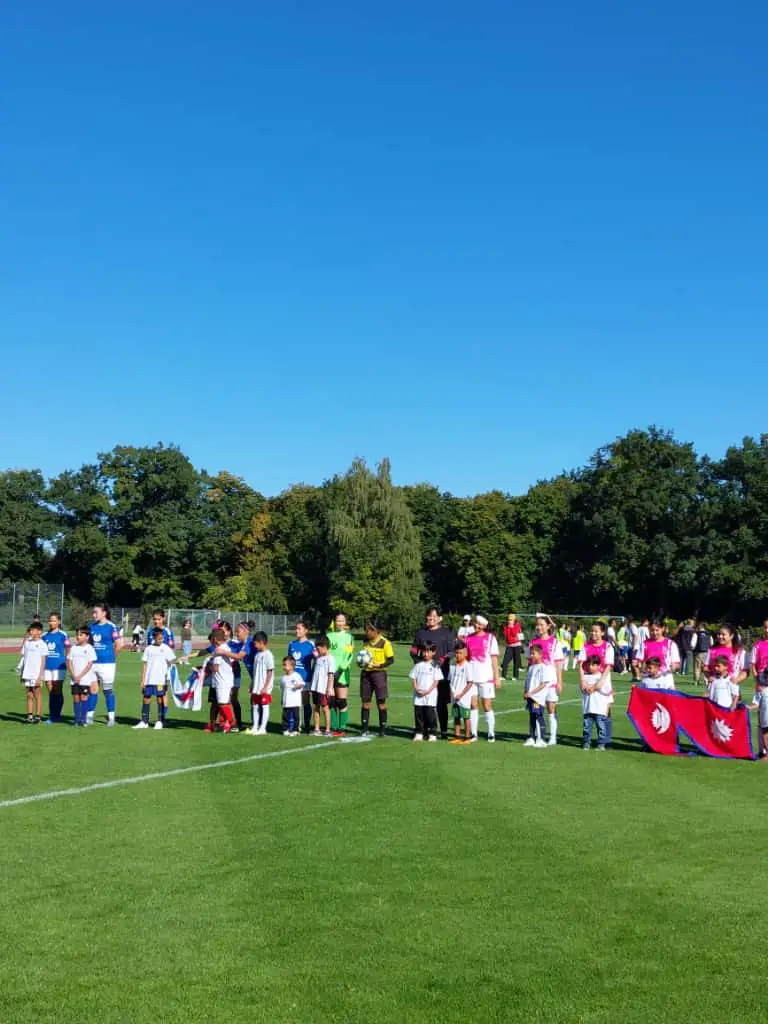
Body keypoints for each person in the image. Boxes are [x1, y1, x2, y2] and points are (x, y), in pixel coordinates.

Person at [410, 606, 457, 738]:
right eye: (429, 615)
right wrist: (417, 659)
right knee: (423, 703)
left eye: (434, 616)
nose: (431, 618)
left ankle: (443, 730)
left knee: (440, 703)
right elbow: (414, 649)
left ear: (440, 618)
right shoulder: (421, 632)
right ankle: (424, 730)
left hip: (441, 673)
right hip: (423, 674)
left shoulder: (446, 633)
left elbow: (452, 651)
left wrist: (442, 660)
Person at [576, 621, 615, 743]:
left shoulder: (608, 647)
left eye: (596, 631)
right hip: (588, 680)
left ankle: (605, 740)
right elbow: (581, 665)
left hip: (603, 681)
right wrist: (583, 681)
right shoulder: (585, 646)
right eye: (592, 631)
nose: (593, 633)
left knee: (605, 711)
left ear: (602, 633)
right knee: (588, 709)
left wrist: (599, 683)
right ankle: (587, 739)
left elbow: (608, 666)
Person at [528, 615, 564, 745]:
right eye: (537, 625)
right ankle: (536, 736)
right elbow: (530, 663)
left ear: (548, 626)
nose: (539, 627)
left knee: (551, 708)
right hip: (536, 683)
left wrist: (559, 682)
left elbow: (558, 664)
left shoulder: (555, 643)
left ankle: (552, 737)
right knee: (536, 708)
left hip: (551, 681)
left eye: (542, 624)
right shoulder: (533, 642)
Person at [465, 615, 500, 742]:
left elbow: (494, 659)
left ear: (484, 626)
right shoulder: (468, 638)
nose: (477, 626)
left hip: (486, 678)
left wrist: (497, 677)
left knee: (487, 705)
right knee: (473, 705)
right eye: (476, 623)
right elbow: (466, 657)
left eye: (480, 624)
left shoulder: (490, 638)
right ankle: (474, 734)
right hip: (471, 678)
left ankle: (491, 733)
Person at [134, 626, 176, 729]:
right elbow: (145, 664)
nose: (161, 640)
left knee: (159, 698)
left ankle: (160, 721)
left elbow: (172, 661)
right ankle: (144, 721)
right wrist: (143, 680)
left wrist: (168, 674)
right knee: (146, 698)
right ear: (154, 638)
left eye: (162, 638)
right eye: (159, 639)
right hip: (149, 679)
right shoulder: (148, 649)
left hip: (160, 679)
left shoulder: (166, 648)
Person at [359, 621, 394, 737]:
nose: (367, 632)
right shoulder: (366, 641)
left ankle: (382, 730)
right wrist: (361, 663)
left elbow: (391, 660)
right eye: (366, 630)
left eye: (369, 630)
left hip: (379, 675)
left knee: (381, 702)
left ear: (376, 631)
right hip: (366, 674)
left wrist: (380, 665)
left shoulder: (385, 643)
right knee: (365, 702)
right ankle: (364, 729)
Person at [88, 603, 120, 726]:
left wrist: (111, 658)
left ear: (104, 613)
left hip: (107, 664)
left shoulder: (111, 627)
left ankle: (111, 718)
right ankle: (89, 716)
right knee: (93, 690)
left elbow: (118, 644)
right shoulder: (91, 627)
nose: (93, 615)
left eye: (96, 612)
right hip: (93, 664)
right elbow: (89, 644)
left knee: (107, 690)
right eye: (93, 612)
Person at [202, 628, 235, 733]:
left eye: (212, 639)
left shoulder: (218, 650)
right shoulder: (226, 647)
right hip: (227, 679)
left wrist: (205, 668)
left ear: (215, 639)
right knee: (224, 703)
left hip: (222, 681)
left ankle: (233, 724)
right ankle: (224, 725)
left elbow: (216, 668)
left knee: (222, 704)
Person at [328, 613, 355, 737]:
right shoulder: (329, 636)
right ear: (335, 622)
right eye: (338, 620)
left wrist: (341, 669)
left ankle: (342, 728)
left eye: (342, 621)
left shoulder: (349, 637)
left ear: (345, 623)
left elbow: (349, 654)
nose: (340, 623)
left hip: (342, 673)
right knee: (332, 702)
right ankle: (334, 727)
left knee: (342, 701)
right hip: (330, 673)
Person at [287, 620, 316, 735]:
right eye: (296, 628)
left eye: (299, 628)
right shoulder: (291, 644)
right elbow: (289, 662)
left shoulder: (310, 644)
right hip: (293, 678)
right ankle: (294, 726)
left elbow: (317, 660)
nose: (296, 631)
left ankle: (307, 725)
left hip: (305, 677)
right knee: (294, 702)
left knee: (305, 702)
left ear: (306, 630)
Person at [42, 612, 71, 724]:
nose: (51, 623)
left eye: (54, 620)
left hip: (59, 666)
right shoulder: (44, 635)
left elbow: (68, 649)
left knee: (57, 690)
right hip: (47, 666)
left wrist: (67, 662)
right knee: (50, 690)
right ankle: (52, 715)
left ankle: (57, 715)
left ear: (59, 622)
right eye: (50, 620)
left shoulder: (63, 635)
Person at [409, 643, 441, 742]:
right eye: (424, 651)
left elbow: (436, 681)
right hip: (418, 696)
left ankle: (432, 733)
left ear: (433, 652)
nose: (426, 654)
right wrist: (416, 688)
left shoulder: (435, 665)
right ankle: (419, 733)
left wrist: (428, 691)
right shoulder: (418, 665)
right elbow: (413, 678)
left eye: (428, 652)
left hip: (430, 695)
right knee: (419, 715)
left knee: (430, 715)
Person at [17, 621, 47, 723]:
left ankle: (38, 716)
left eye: (33, 630)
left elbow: (43, 661)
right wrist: (21, 673)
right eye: (31, 630)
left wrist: (40, 676)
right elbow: (24, 659)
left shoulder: (42, 644)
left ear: (39, 632)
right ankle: (29, 716)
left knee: (37, 693)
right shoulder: (27, 643)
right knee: (29, 694)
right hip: (27, 673)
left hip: (36, 674)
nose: (31, 632)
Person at [67, 626, 97, 727]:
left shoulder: (90, 648)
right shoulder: (73, 648)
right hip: (74, 679)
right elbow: (69, 662)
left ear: (87, 637)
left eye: (81, 635)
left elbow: (89, 664)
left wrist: (80, 676)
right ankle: (77, 720)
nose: (78, 637)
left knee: (84, 697)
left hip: (84, 679)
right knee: (76, 698)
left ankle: (83, 720)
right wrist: (73, 675)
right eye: (77, 635)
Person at [580, 653, 611, 750]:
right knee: (586, 726)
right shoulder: (585, 677)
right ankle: (586, 742)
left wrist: (595, 687)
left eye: (593, 665)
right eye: (588, 665)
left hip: (599, 708)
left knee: (601, 726)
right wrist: (586, 688)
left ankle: (601, 743)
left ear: (598, 666)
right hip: (588, 707)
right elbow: (581, 689)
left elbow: (607, 691)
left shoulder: (601, 677)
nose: (590, 667)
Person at [150, 610, 176, 726]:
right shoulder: (150, 632)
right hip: (152, 667)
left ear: (163, 619)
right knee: (152, 693)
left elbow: (171, 650)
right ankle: (157, 718)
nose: (156, 621)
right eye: (154, 619)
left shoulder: (167, 632)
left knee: (163, 692)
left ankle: (162, 718)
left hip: (164, 668)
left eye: (159, 619)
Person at [703, 624, 747, 692]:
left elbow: (745, 671)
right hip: (714, 688)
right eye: (719, 634)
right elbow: (706, 667)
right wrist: (709, 676)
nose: (720, 636)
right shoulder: (712, 650)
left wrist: (736, 680)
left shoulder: (740, 652)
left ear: (731, 636)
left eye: (723, 634)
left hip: (731, 688)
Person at [638, 618, 680, 688]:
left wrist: (673, 667)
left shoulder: (670, 644)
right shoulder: (645, 644)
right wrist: (642, 667)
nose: (654, 633)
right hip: (648, 680)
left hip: (665, 680)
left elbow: (676, 663)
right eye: (652, 630)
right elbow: (639, 662)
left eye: (657, 630)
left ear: (663, 628)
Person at [523, 643, 548, 748]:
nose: (531, 656)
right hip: (530, 698)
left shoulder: (543, 668)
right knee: (532, 716)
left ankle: (541, 739)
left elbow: (543, 684)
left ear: (540, 654)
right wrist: (525, 691)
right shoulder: (531, 667)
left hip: (537, 698)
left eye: (534, 654)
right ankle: (532, 737)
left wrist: (531, 693)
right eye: (531, 654)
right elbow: (527, 682)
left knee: (538, 716)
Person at [249, 631, 274, 736]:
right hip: (256, 686)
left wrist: (265, 687)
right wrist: (252, 684)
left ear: (261, 642)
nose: (255, 646)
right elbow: (255, 672)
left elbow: (270, 672)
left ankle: (263, 728)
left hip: (264, 687)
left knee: (264, 706)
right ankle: (255, 726)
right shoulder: (257, 655)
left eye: (255, 643)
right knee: (255, 706)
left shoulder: (268, 655)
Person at [448, 641, 474, 744]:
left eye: (460, 653)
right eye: (456, 653)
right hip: (454, 697)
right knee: (456, 716)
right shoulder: (452, 665)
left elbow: (470, 682)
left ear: (466, 653)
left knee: (466, 717)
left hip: (464, 698)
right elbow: (450, 680)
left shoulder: (468, 666)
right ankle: (457, 736)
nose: (458, 655)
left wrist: (462, 694)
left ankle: (467, 737)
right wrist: (454, 693)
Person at [749, 619, 768, 757]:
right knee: (762, 720)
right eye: (765, 627)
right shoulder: (758, 646)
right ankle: (763, 750)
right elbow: (753, 666)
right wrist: (758, 682)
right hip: (762, 685)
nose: (767, 630)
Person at [310, 635, 335, 736]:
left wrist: (329, 688)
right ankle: (317, 729)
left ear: (325, 646)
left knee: (325, 708)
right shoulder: (318, 658)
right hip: (315, 687)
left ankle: (328, 730)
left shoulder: (330, 659)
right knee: (316, 707)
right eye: (317, 646)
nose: (317, 648)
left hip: (323, 688)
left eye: (319, 646)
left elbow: (331, 675)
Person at [280, 655, 304, 736]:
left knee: (296, 716)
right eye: (283, 664)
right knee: (285, 716)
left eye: (285, 665)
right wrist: (282, 699)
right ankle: (285, 729)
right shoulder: (283, 678)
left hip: (295, 701)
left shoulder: (296, 675)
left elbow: (302, 683)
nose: (283, 666)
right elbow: (282, 689)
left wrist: (298, 686)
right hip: (286, 701)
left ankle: (295, 729)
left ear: (292, 666)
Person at [501, 613, 524, 681]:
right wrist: (508, 628)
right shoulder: (506, 626)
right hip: (509, 646)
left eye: (511, 620)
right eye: (509, 620)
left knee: (516, 662)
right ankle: (503, 676)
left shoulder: (517, 625)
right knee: (505, 661)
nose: (509, 621)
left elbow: (514, 634)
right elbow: (505, 635)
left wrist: (511, 627)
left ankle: (515, 676)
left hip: (517, 645)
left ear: (514, 620)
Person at [693, 621, 712, 685]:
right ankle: (706, 680)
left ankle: (696, 680)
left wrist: (693, 649)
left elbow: (693, 644)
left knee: (697, 667)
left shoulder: (696, 634)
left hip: (698, 652)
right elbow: (711, 643)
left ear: (699, 627)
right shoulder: (709, 634)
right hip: (707, 652)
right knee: (705, 666)